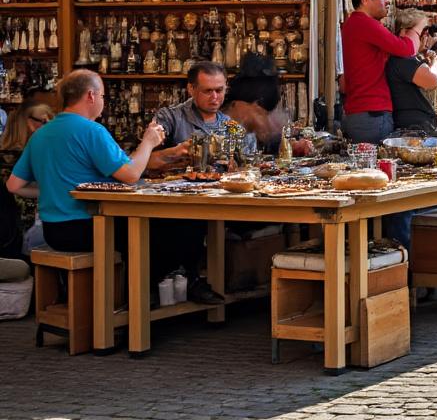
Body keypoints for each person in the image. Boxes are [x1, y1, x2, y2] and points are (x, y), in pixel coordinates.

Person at [6, 71, 223, 303]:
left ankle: (152, 293)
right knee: (183, 225)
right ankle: (140, 303)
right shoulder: (91, 131)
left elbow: (14, 185)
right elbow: (130, 175)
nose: (103, 101)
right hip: (90, 227)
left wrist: (53, 189)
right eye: (102, 95)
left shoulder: (42, 134)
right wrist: (148, 142)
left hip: (54, 231)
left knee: (164, 230)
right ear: (90, 96)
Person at [340, 0, 417, 143]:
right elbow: (407, 49)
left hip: (362, 113)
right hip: (372, 114)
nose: (387, 1)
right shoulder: (365, 24)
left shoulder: (353, 24)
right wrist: (418, 28)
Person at [149, 62, 258, 173]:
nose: (214, 97)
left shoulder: (232, 126)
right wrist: (175, 153)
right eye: (208, 91)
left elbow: (248, 170)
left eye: (219, 90)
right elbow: (137, 163)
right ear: (191, 88)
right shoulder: (170, 118)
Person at [0, 103, 51, 259]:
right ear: (29, 124)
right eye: (45, 121)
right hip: (23, 235)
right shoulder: (31, 156)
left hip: (7, 236)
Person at [385, 9, 437, 133]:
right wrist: (435, 60)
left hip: (414, 126)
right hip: (413, 129)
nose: (426, 37)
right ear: (404, 32)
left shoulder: (407, 58)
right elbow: (433, 80)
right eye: (423, 32)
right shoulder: (403, 59)